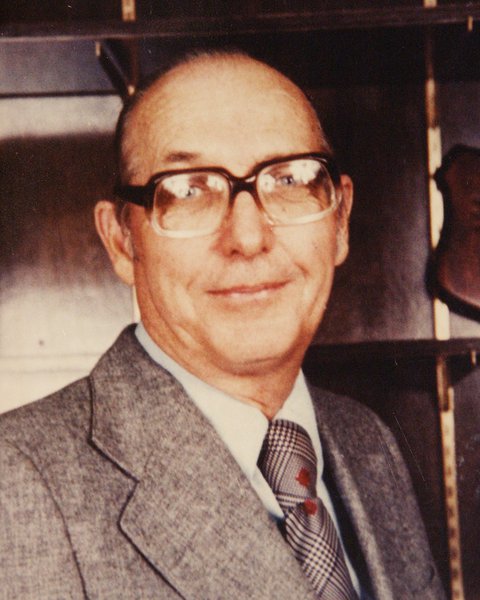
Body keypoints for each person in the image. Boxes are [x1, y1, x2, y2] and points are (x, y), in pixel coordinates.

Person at [0, 51, 445, 599]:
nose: (248, 238)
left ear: (340, 220)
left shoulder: (366, 441)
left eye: (289, 179)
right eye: (188, 190)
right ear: (121, 240)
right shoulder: (15, 485)